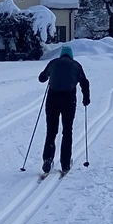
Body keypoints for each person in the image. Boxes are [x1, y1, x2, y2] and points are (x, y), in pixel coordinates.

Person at [36, 45, 90, 175]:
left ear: (61, 55)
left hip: (52, 100)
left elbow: (41, 78)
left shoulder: (53, 63)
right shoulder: (76, 65)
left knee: (51, 130)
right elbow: (85, 82)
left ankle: (48, 159)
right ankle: (65, 163)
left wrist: (49, 76)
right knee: (67, 131)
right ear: (71, 55)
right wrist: (86, 99)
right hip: (69, 100)